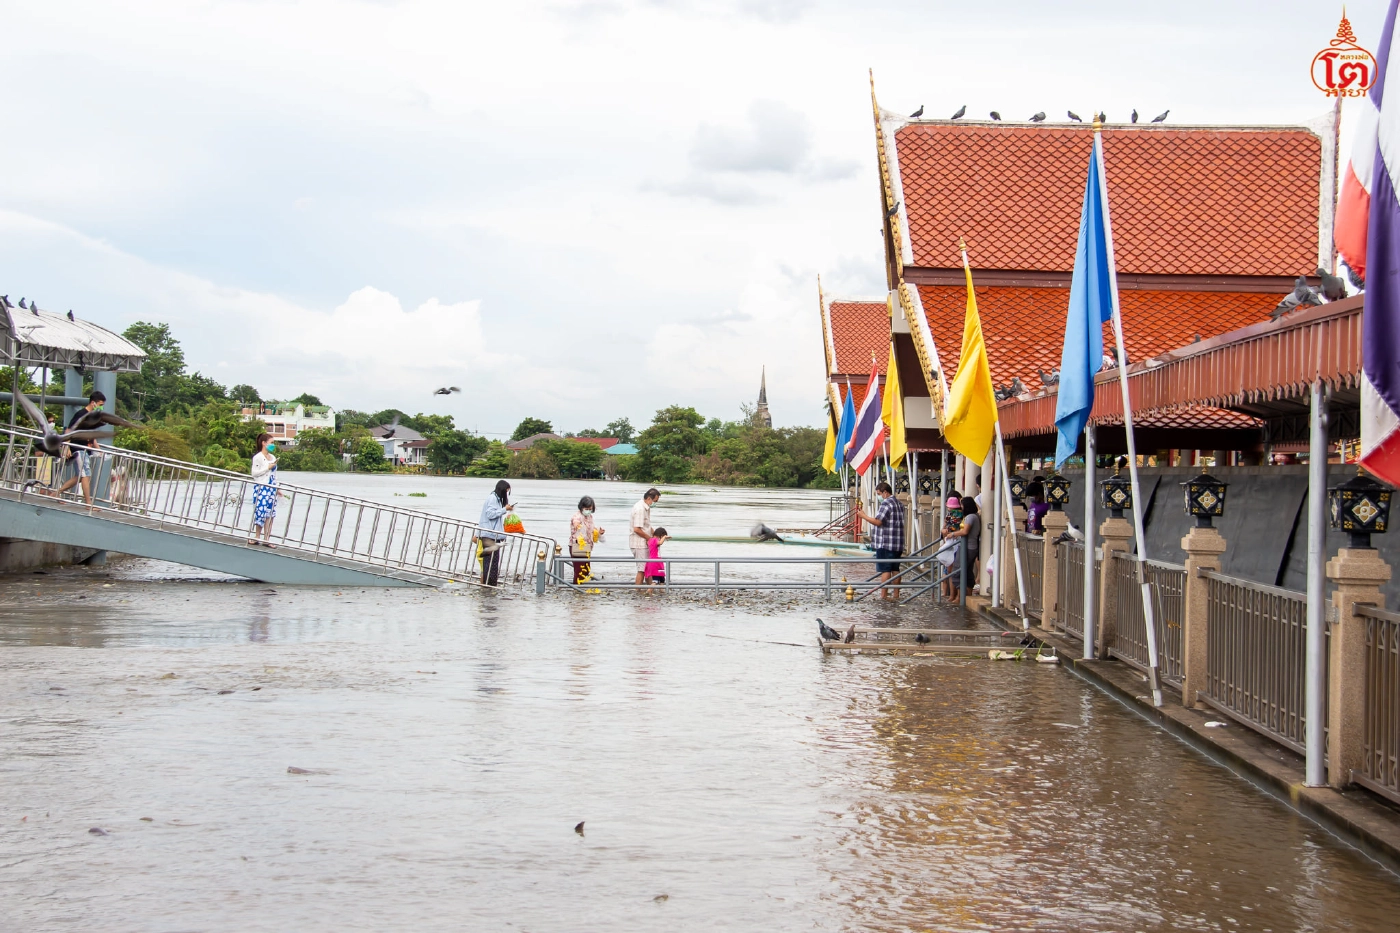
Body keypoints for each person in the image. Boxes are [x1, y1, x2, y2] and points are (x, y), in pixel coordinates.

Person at [50, 391, 108, 506]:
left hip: (85, 449)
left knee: (80, 476)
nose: (101, 407)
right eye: (100, 404)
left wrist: (99, 449)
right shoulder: (81, 414)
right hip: (78, 448)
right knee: (85, 475)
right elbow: (69, 431)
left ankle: (56, 493)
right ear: (93, 403)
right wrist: (67, 447)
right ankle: (88, 503)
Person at [857, 481, 906, 600]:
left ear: (885, 492)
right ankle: (896, 595)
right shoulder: (899, 504)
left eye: (878, 494)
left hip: (885, 542)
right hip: (897, 543)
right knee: (895, 569)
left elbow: (878, 521)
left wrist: (863, 516)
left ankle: (883, 596)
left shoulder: (886, 504)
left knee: (885, 569)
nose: (878, 496)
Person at [943, 495, 981, 596]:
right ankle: (965, 595)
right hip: (970, 546)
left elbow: (965, 531)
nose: (961, 507)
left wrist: (953, 534)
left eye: (962, 505)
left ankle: (960, 596)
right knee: (967, 571)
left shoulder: (970, 517)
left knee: (958, 570)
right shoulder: (974, 516)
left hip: (967, 547)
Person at [477, 479, 513, 586]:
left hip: (493, 535)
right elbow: (490, 514)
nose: (506, 494)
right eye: (506, 491)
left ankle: (490, 584)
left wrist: (505, 509)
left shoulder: (496, 499)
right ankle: (488, 584)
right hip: (489, 535)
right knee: (490, 561)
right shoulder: (492, 498)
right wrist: (504, 509)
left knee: (493, 561)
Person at [249, 433, 279, 547]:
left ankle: (267, 539)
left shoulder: (273, 457)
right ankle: (257, 537)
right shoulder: (258, 457)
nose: (273, 445)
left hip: (271, 488)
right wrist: (267, 468)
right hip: (261, 487)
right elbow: (254, 473)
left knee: (270, 514)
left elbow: (274, 474)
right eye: (271, 443)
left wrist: (277, 487)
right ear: (264, 443)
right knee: (260, 512)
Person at [569, 495, 605, 584]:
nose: (588, 510)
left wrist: (599, 532)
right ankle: (577, 588)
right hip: (577, 545)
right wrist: (577, 524)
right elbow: (575, 522)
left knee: (586, 569)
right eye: (587, 508)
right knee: (579, 570)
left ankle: (582, 586)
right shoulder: (577, 516)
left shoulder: (590, 517)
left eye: (590, 509)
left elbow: (592, 530)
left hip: (587, 546)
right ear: (582, 507)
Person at [630, 487, 660, 587]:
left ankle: (650, 589)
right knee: (642, 569)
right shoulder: (640, 509)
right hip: (639, 544)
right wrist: (650, 539)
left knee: (648, 568)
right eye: (655, 501)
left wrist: (656, 535)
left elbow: (647, 526)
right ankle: (637, 590)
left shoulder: (645, 508)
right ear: (648, 499)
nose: (655, 503)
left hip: (644, 543)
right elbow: (637, 529)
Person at [644, 526, 670, 593]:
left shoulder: (650, 540)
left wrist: (663, 538)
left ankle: (662, 590)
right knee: (656, 579)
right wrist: (664, 537)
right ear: (660, 535)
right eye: (662, 536)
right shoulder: (655, 540)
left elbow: (658, 544)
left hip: (657, 561)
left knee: (662, 577)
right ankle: (649, 591)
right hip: (655, 562)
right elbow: (660, 543)